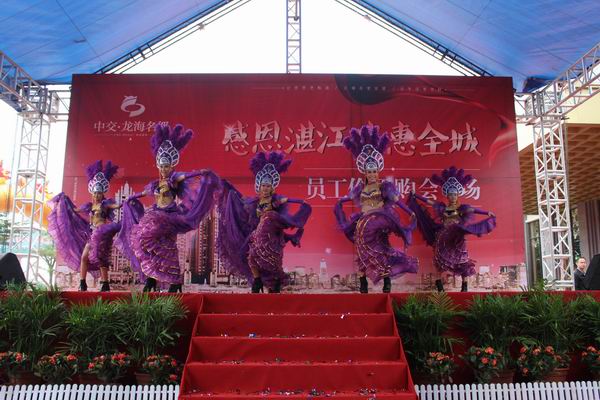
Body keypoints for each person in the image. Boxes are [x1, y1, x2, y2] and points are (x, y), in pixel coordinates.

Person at [116, 124, 220, 293]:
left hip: (170, 217)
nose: (164, 169)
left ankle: (172, 282)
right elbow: (143, 193)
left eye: (167, 166)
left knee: (161, 243)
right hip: (157, 214)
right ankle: (154, 280)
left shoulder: (174, 179)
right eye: (162, 166)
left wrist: (201, 172)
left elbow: (187, 175)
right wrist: (130, 199)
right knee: (157, 245)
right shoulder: (155, 185)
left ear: (171, 166)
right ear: (158, 166)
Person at [334, 125, 418, 293]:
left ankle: (387, 282)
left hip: (379, 222)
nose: (372, 174)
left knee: (382, 251)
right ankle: (363, 283)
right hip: (362, 226)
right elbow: (347, 198)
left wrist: (410, 212)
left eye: (374, 171)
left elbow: (397, 201)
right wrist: (340, 203)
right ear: (365, 172)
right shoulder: (359, 188)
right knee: (363, 253)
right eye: (369, 171)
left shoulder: (384, 186)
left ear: (378, 171)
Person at [217, 151, 312, 293]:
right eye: (263, 186)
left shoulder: (277, 200)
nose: (265, 188)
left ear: (272, 188)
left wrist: (298, 202)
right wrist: (229, 188)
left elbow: (282, 214)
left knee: (271, 263)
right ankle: (257, 281)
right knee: (251, 258)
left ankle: (274, 284)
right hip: (256, 235)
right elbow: (241, 201)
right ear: (259, 187)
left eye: (268, 186)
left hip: (271, 238)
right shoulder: (253, 202)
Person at [409, 166, 496, 292]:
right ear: (447, 195)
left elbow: (474, 210)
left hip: (457, 238)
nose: (453, 196)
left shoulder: (462, 209)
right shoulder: (442, 208)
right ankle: (440, 288)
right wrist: (415, 196)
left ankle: (464, 287)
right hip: (443, 238)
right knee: (440, 262)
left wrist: (487, 213)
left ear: (457, 195)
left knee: (463, 261)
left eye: (454, 194)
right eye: (450, 194)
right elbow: (428, 201)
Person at [48, 160, 121, 291]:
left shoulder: (105, 204)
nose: (97, 195)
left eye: (99, 193)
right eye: (95, 193)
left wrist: (125, 203)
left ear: (102, 193)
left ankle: (105, 283)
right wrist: (64, 200)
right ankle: (82, 283)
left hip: (102, 234)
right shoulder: (89, 206)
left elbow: (116, 205)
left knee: (101, 258)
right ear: (92, 193)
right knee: (84, 257)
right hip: (92, 234)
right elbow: (76, 210)